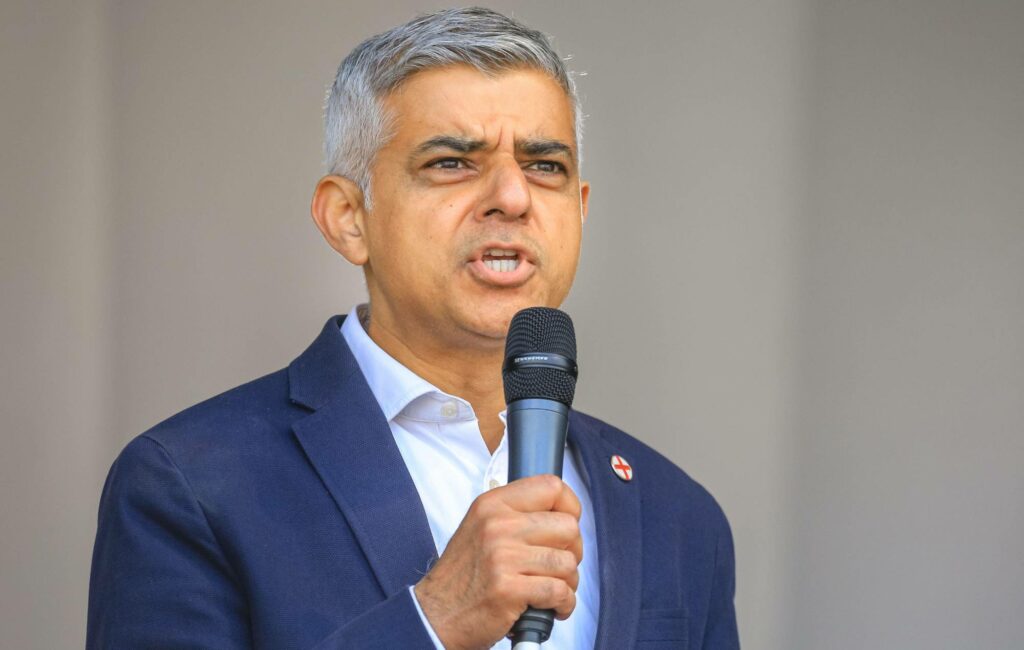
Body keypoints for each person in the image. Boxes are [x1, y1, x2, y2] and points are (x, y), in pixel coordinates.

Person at [87, 7, 739, 649]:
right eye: (453, 162)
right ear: (348, 217)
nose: (513, 197)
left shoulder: (677, 517)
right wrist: (432, 623)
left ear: (580, 210)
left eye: (545, 166)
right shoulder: (191, 486)